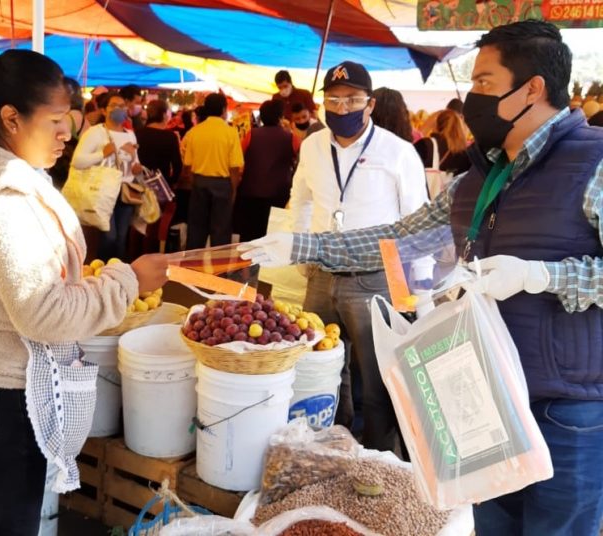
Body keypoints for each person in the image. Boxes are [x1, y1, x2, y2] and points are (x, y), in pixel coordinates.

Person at [241, 20, 603, 536]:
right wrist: (301, 244)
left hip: (564, 407)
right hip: (483, 401)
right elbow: (396, 236)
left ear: (533, 88)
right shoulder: (477, 179)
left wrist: (541, 276)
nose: (472, 97)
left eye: (483, 83)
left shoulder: (593, 161)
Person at [0, 47, 168, 536]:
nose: (69, 133)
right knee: (2, 524)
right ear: (10, 118)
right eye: (58, 120)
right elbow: (43, 314)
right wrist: (129, 279)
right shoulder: (4, 202)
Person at [286, 60, 432, 451]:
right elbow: (299, 201)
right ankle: (331, 449)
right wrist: (300, 253)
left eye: (352, 100)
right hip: (320, 274)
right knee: (321, 369)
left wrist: (418, 294)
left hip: (375, 278)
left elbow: (419, 225)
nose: (342, 109)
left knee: (376, 381)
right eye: (333, 100)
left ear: (369, 105)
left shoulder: (398, 152)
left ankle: (380, 465)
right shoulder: (312, 146)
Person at [72, 92, 143, 261]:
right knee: (109, 237)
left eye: (122, 106)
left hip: (125, 191)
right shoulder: (95, 133)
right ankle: (102, 274)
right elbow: (77, 161)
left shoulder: (130, 134)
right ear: (104, 110)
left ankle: (117, 276)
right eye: (114, 106)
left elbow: (134, 163)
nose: (119, 109)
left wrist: (135, 166)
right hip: (102, 192)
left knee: (121, 239)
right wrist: (102, 154)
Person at [182, 92, 244, 248]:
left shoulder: (194, 132)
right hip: (222, 185)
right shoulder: (230, 132)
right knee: (221, 232)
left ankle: (191, 268)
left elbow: (187, 165)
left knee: (196, 229)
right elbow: (235, 167)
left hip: (199, 182)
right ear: (224, 109)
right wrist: (233, 190)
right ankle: (219, 272)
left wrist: (194, 183)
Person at [233, 100, 299, 241]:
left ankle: (248, 262)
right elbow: (300, 159)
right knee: (273, 237)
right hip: (279, 194)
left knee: (250, 237)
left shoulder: (251, 135)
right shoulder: (291, 138)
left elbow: (240, 159)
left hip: (251, 192)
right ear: (280, 117)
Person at [47, 77, 89, 190]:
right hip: (72, 172)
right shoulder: (79, 115)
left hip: (65, 171)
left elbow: (52, 134)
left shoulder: (72, 116)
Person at [136, 99, 182, 187]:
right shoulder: (170, 136)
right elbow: (177, 165)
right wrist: (170, 182)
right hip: (162, 184)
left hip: (140, 182)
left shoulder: (137, 134)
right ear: (164, 115)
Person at [414, 109, 472, 176]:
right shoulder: (464, 153)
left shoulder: (426, 144)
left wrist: (424, 129)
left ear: (437, 124)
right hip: (452, 186)